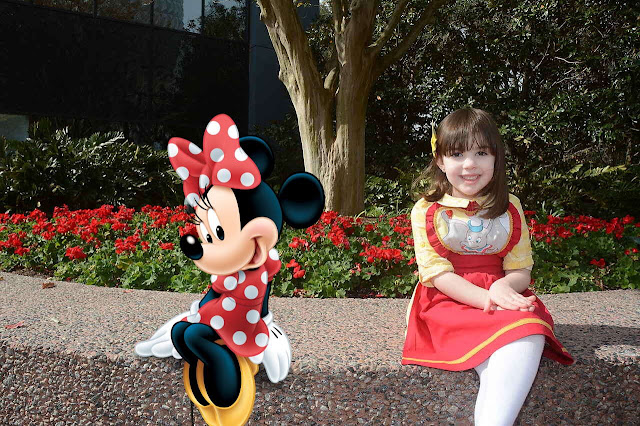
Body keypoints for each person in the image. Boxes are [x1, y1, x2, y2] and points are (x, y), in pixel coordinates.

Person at [402, 108, 573, 425]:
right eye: (457, 154)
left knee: (528, 332)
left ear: (496, 158)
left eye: (481, 153)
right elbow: (437, 274)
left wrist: (503, 287)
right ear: (440, 161)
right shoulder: (427, 209)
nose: (470, 164)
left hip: (503, 292)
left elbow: (521, 268)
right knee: (513, 339)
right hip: (447, 299)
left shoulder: (510, 206)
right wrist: (487, 299)